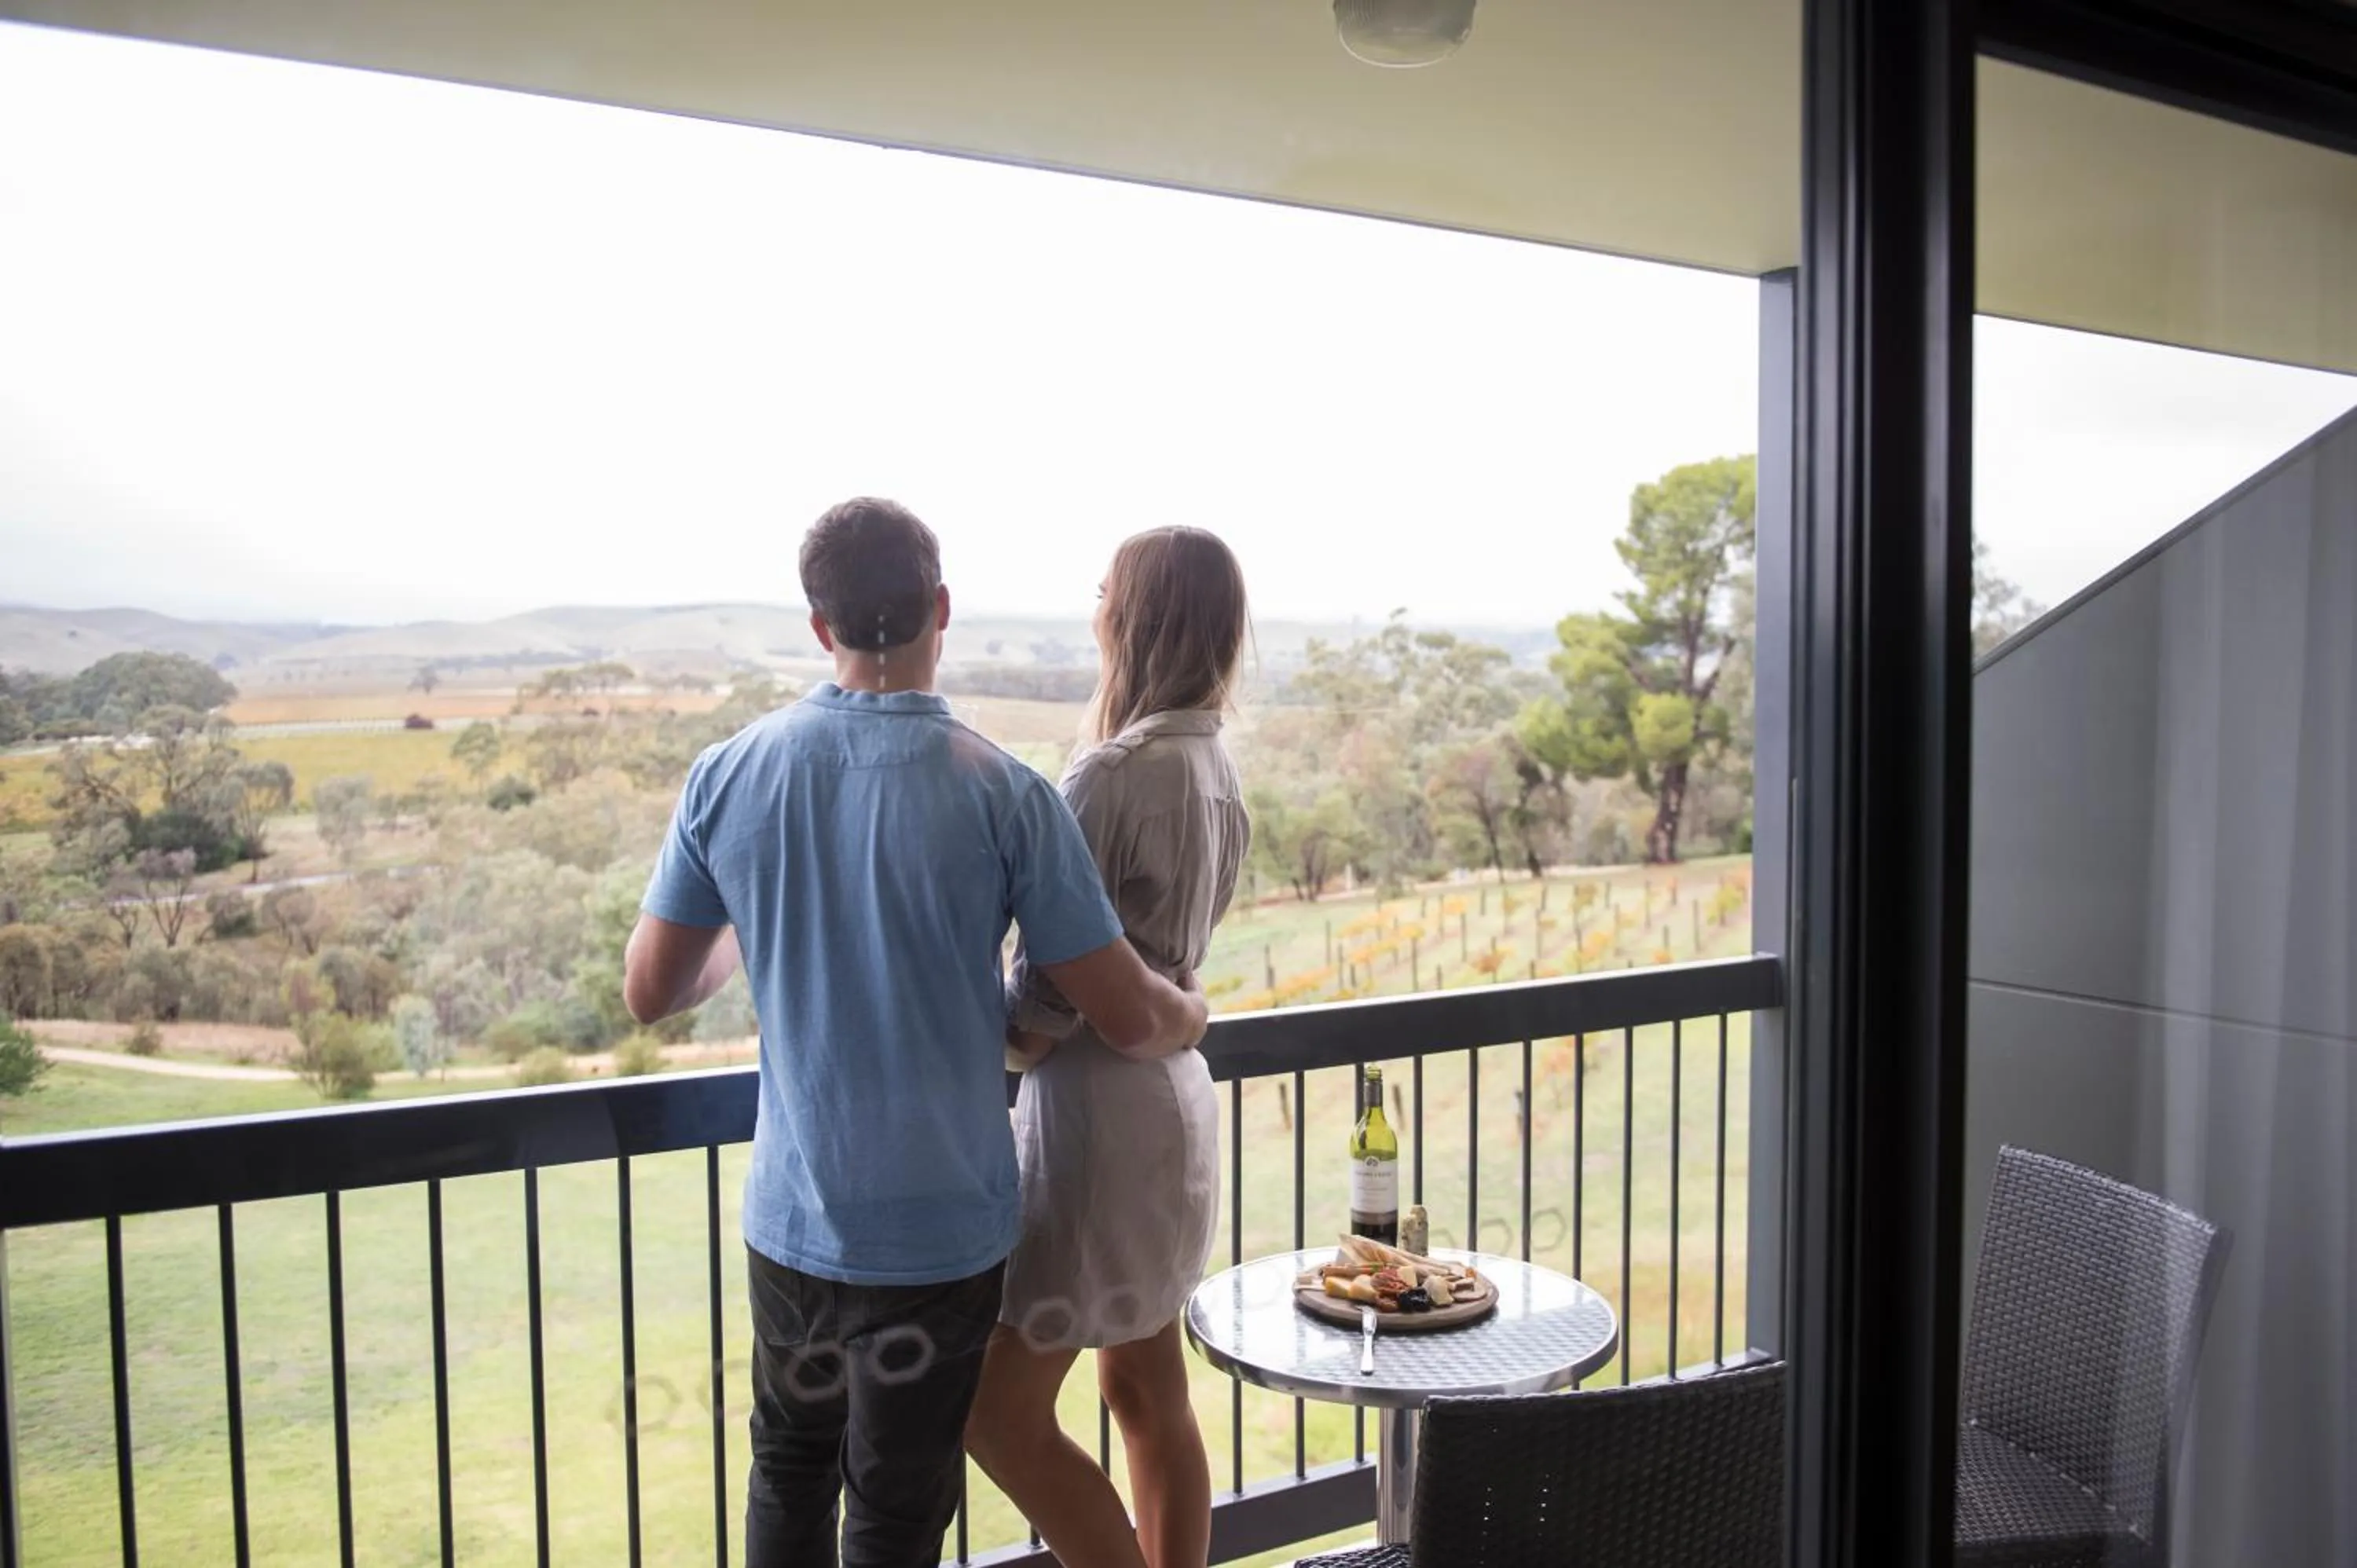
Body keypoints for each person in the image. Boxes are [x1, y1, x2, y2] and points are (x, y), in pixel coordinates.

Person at [621, 497, 1209, 1568]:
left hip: (795, 1221)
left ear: (819, 625)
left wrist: (770, 911)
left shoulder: (731, 772)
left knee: (789, 1473)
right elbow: (1125, 1010)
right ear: (941, 609)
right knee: (896, 1509)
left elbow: (653, 990)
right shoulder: (1005, 792)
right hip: (940, 1237)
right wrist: (1192, 1008)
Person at [964, 526, 1251, 1568]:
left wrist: (996, 1046)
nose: (1093, 609)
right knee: (1145, 1385)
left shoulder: (1109, 774)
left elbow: (1046, 991)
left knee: (995, 1410)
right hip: (1171, 1096)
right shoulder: (1213, 764)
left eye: (1104, 594)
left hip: (1095, 1113)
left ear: (1135, 620)